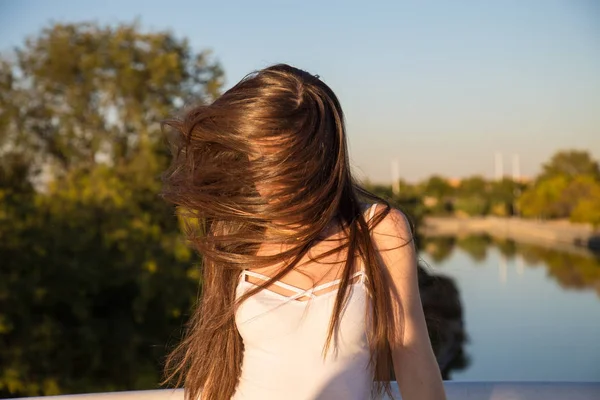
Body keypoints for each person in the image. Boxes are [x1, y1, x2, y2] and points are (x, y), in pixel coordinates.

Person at [161, 64, 446, 400]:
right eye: (257, 162)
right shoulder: (237, 229)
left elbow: (413, 359)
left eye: (283, 165)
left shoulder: (378, 232)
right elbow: (217, 362)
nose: (266, 182)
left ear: (321, 160)